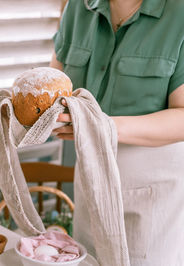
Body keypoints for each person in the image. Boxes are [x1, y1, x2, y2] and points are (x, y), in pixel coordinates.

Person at [50, 0, 184, 265]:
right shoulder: (78, 6)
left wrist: (104, 127)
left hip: (152, 199)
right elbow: (56, 83)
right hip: (90, 183)